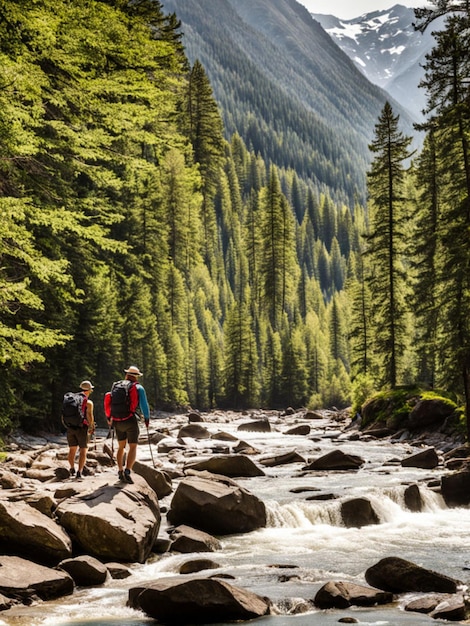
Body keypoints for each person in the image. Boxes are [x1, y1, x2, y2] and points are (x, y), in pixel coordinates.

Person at [105, 365, 150, 484]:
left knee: (121, 446)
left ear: (126, 375)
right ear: (136, 377)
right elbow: (144, 405)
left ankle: (119, 470)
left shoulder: (116, 385)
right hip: (130, 420)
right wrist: (147, 419)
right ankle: (128, 470)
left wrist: (109, 417)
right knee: (133, 446)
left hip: (117, 421)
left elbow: (109, 401)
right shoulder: (138, 387)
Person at [67, 380, 95, 479]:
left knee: (72, 449)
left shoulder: (71, 399)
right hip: (82, 428)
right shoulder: (88, 402)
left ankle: (71, 468)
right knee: (83, 450)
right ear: (89, 390)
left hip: (70, 427)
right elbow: (89, 416)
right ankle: (79, 472)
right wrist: (91, 427)